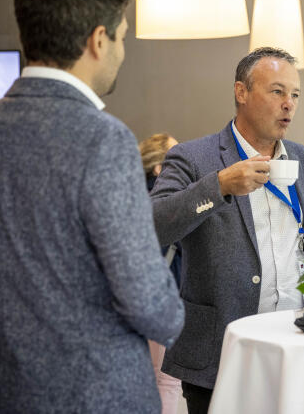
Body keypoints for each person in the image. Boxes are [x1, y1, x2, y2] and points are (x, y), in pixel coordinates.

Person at [0, 0, 184, 413]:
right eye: (122, 37)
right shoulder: (105, 139)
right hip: (98, 394)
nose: (122, 52)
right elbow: (149, 301)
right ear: (98, 39)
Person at [151, 46, 304, 414]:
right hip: (222, 349)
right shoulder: (193, 158)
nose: (289, 104)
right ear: (241, 92)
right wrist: (218, 186)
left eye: (295, 94)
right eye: (277, 91)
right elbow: (152, 226)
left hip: (303, 342)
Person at [139, 132, 181, 414]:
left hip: (139, 298)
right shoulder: (168, 204)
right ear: (158, 168)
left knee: (149, 374)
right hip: (166, 295)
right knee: (168, 378)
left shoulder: (129, 195)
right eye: (176, 157)